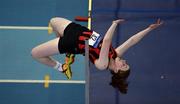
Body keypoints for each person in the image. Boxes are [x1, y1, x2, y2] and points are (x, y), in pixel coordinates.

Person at [31, 17, 163, 80]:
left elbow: (106, 41)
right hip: (80, 31)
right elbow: (132, 41)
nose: (124, 62)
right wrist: (149, 29)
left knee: (35, 53)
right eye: (125, 64)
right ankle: (69, 54)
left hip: (72, 42)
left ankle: (61, 67)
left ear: (116, 70)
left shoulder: (103, 64)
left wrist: (114, 24)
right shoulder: (115, 54)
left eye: (123, 66)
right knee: (53, 21)